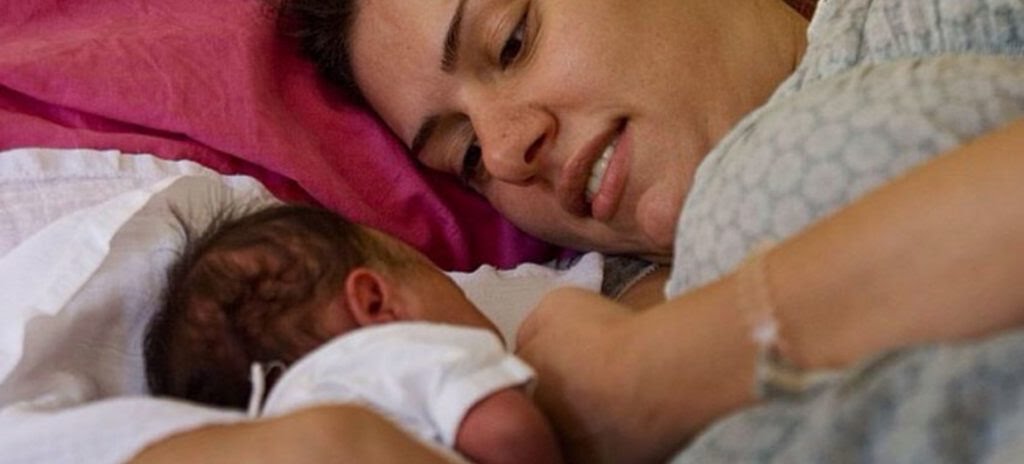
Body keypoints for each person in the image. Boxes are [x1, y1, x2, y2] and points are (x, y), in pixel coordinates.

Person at [262, 0, 1024, 462]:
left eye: (512, 41)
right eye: (466, 156)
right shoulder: (552, 359)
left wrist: (661, 368)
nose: (504, 150)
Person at [142, 203, 563, 464]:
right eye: (444, 280)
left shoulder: (280, 425)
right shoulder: (398, 351)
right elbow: (506, 431)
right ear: (374, 300)